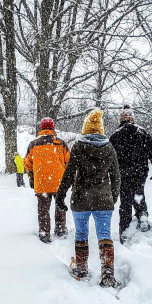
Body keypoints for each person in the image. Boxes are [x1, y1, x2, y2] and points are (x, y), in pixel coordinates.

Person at [56, 109, 121, 288]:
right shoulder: (110, 148)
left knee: (82, 234)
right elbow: (116, 177)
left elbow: (69, 174)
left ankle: (82, 268)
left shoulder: (78, 147)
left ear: (86, 129)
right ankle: (107, 274)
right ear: (100, 130)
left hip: (81, 199)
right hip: (103, 199)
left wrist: (61, 195)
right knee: (105, 236)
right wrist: (112, 198)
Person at [108, 105, 152, 243]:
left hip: (123, 174)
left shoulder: (115, 135)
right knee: (138, 194)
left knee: (125, 202)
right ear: (132, 118)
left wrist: (109, 175)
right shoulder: (142, 133)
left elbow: (109, 158)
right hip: (140, 172)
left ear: (121, 119)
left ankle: (124, 232)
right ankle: (142, 214)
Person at [24, 117, 70, 243]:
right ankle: (60, 230)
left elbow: (27, 163)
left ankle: (44, 233)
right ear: (53, 127)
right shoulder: (61, 143)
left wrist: (32, 177)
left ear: (41, 128)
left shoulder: (33, 144)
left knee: (43, 210)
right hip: (59, 183)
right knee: (59, 206)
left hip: (42, 183)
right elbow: (68, 162)